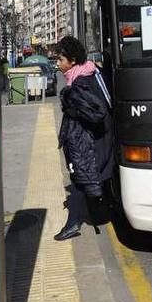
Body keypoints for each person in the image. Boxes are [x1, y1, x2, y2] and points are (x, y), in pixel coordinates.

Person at [54, 36, 114, 241]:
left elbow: (93, 113)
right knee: (92, 177)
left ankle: (72, 225)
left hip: (87, 140)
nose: (58, 64)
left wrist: (70, 101)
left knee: (80, 179)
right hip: (101, 136)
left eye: (61, 60)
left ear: (72, 60)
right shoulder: (93, 71)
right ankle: (100, 213)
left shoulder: (79, 83)